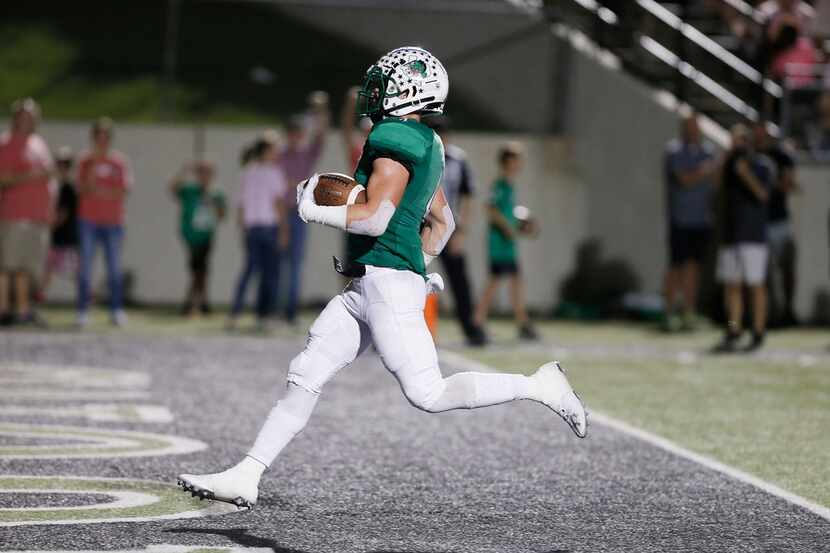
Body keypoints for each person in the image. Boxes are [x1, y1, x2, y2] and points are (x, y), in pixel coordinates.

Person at [178, 46, 588, 509]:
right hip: (373, 284)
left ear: (409, 89)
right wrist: (419, 268)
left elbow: (373, 219)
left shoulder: (393, 137)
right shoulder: (427, 142)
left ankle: (539, 385)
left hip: (385, 283)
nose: (376, 90)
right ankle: (247, 474)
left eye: (385, 81)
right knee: (306, 371)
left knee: (428, 393)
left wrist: (316, 211)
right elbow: (442, 224)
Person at [714, 124, 775, 353]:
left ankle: (758, 331)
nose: (736, 145)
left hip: (753, 236)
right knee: (732, 287)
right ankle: (733, 329)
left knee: (755, 286)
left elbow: (762, 194)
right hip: (731, 235)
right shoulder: (729, 166)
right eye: (733, 140)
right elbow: (716, 185)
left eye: (740, 141)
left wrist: (745, 173)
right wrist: (726, 163)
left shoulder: (762, 165)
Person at [426, 115, 486, 346]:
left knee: (460, 281)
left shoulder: (457, 159)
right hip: (423, 226)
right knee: (410, 277)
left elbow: (467, 195)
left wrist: (461, 231)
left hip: (449, 228)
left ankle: (471, 328)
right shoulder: (421, 157)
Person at [473, 143, 538, 341]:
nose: (519, 163)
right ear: (508, 161)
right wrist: (508, 228)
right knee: (494, 282)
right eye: (516, 158)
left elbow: (507, 212)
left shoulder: (509, 185)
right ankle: (477, 321)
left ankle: (522, 322)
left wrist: (520, 224)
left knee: (516, 281)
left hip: (508, 244)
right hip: (499, 243)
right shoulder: (500, 184)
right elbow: (490, 208)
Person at [0, 98, 54, 327]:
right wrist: (33, 176)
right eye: (22, 115)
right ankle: (3, 310)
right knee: (7, 265)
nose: (26, 120)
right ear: (15, 118)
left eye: (30, 116)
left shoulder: (38, 143)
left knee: (25, 268)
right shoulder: (6, 143)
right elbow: (3, 178)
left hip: (38, 215)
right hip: (15, 214)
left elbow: (48, 177)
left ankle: (22, 311)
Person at [227, 134, 289, 330]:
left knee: (249, 270)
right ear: (265, 151)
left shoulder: (247, 172)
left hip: (252, 228)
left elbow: (241, 205)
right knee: (270, 274)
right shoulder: (275, 173)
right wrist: (284, 229)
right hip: (269, 227)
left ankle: (235, 313)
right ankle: (264, 315)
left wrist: (242, 228)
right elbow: (278, 203)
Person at [662, 114, 718, 332]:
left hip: (701, 219)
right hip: (680, 218)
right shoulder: (674, 150)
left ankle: (688, 313)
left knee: (694, 267)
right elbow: (684, 180)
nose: (693, 131)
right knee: (675, 267)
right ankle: (668, 313)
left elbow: (715, 180)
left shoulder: (708, 151)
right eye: (690, 127)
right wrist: (704, 171)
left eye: (696, 127)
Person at [76, 117, 132, 328]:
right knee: (85, 268)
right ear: (93, 138)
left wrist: (100, 191)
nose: (102, 142)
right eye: (98, 137)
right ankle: (82, 310)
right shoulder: (84, 161)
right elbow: (82, 188)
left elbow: (123, 190)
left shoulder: (119, 162)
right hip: (88, 220)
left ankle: (116, 310)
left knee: (115, 269)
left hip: (113, 222)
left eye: (105, 137)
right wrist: (94, 165)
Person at [279, 94, 330, 323]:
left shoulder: (304, 154)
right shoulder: (278, 156)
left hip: (298, 213)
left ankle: (290, 311)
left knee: (296, 263)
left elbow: (320, 137)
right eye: (291, 132)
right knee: (279, 263)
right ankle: (275, 308)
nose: (295, 136)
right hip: (279, 214)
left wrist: (320, 112)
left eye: (298, 132)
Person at [753, 123, 799, 327]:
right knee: (762, 273)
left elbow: (788, 185)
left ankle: (787, 311)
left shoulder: (781, 156)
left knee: (786, 269)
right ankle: (768, 315)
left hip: (780, 221)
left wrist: (771, 182)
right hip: (758, 221)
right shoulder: (750, 156)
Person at [169, 160, 226, 316]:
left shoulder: (216, 193)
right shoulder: (189, 190)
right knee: (197, 269)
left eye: (208, 173)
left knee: (201, 269)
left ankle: (197, 303)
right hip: (190, 236)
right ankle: (197, 303)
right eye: (202, 173)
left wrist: (214, 205)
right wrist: (183, 171)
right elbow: (172, 189)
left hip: (207, 235)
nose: (204, 177)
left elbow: (222, 215)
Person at [41, 146, 79, 299]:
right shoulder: (52, 185)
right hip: (55, 237)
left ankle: (87, 297)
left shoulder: (69, 188)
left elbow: (63, 214)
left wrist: (48, 227)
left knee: (75, 272)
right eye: (59, 163)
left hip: (66, 238)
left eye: (66, 164)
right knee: (48, 270)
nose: (62, 167)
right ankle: (38, 296)